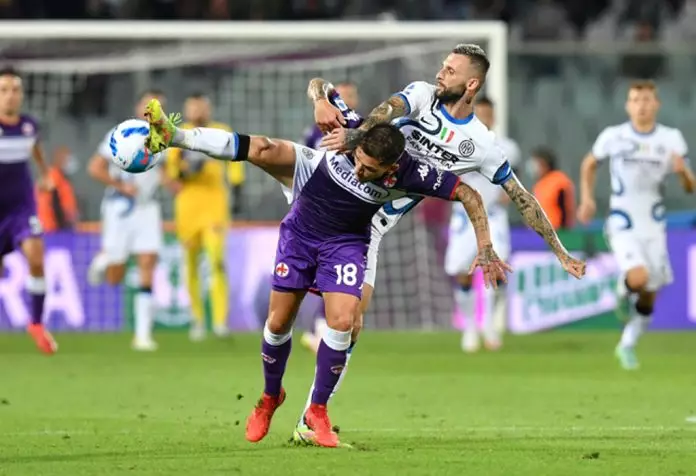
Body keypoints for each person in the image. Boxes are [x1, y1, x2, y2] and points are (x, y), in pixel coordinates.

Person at [143, 98, 510, 448]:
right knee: (277, 323)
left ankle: (317, 411)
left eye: (369, 169)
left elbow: (471, 195)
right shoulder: (353, 133)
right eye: (359, 160)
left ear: (392, 168)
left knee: (344, 321)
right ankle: (271, 396)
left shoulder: (417, 174)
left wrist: (485, 245)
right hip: (303, 223)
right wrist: (319, 97)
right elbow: (320, 85)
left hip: (346, 242)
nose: (360, 170)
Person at [294, 43, 586, 441]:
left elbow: (523, 198)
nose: (440, 73)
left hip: (371, 227)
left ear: (471, 83)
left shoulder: (482, 145)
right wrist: (356, 135)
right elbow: (385, 112)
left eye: (450, 70)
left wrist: (560, 252)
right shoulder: (420, 95)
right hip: (341, 192)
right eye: (442, 65)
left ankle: (311, 416)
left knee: (351, 324)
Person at [577, 80, 695, 370]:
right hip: (622, 220)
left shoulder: (671, 139)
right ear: (628, 105)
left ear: (657, 104)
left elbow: (691, 186)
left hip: (653, 225)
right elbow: (589, 164)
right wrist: (588, 199)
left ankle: (627, 343)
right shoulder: (614, 136)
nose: (642, 105)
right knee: (638, 278)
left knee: (649, 293)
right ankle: (623, 287)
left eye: (647, 100)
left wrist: (682, 174)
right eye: (636, 100)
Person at [86, 90, 166, 352]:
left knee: (147, 262)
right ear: (138, 107)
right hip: (119, 207)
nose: (152, 110)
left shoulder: (167, 137)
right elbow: (94, 168)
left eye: (158, 106)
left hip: (147, 208)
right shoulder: (120, 132)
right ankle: (106, 259)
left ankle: (143, 335)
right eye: (148, 104)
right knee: (115, 275)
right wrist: (120, 185)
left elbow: (164, 172)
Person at [164, 93, 245, 341]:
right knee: (190, 264)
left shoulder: (222, 130)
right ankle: (197, 320)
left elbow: (235, 163)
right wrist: (185, 171)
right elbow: (172, 174)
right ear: (187, 109)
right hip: (187, 207)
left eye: (201, 105)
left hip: (214, 206)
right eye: (192, 105)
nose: (197, 110)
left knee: (216, 260)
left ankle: (220, 321)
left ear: (208, 108)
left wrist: (237, 189)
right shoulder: (177, 134)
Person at [446, 96, 521, 353]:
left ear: (494, 117)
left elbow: (514, 179)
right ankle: (469, 327)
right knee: (460, 271)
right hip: (464, 216)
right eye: (480, 114)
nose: (485, 118)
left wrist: (508, 193)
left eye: (489, 114)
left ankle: (488, 324)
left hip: (494, 216)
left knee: (496, 269)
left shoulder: (507, 147)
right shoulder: (456, 143)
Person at [300, 81, 360, 354]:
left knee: (334, 276)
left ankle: (322, 327)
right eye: (340, 96)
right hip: (316, 211)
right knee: (316, 275)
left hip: (350, 215)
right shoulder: (314, 133)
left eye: (348, 97)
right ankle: (319, 327)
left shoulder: (364, 132)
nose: (343, 102)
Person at [0, 67, 57, 354]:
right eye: (4, 90)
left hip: (22, 208)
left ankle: (36, 323)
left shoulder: (29, 126)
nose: (11, 96)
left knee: (36, 257)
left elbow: (35, 149)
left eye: (15, 90)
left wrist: (45, 173)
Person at [35, 145, 80, 232]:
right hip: (52, 227)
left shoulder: (61, 177)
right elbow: (52, 201)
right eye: (67, 158)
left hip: (57, 227)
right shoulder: (53, 176)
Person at [529, 146, 575, 230]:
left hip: (558, 232)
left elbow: (565, 210)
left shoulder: (560, 181)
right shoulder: (539, 184)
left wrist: (563, 231)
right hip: (543, 233)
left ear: (544, 163)